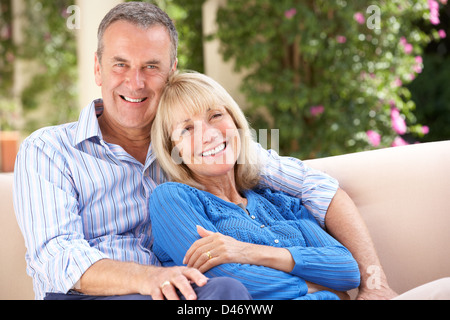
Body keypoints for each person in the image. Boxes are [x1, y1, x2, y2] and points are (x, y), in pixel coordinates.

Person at [13, 2, 396, 300]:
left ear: (172, 71)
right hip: (94, 294)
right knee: (226, 293)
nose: (135, 81)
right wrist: (153, 278)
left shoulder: (201, 151)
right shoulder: (49, 149)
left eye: (151, 66)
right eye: (120, 64)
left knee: (221, 294)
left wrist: (373, 280)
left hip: (189, 291)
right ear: (98, 69)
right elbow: (57, 257)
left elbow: (320, 189)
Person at [150, 71, 361, 299]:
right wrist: (320, 286)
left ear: (235, 122)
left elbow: (347, 269)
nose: (208, 134)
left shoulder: (279, 201)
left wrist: (247, 252)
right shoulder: (172, 199)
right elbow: (226, 280)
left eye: (215, 115)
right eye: (187, 129)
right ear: (173, 150)